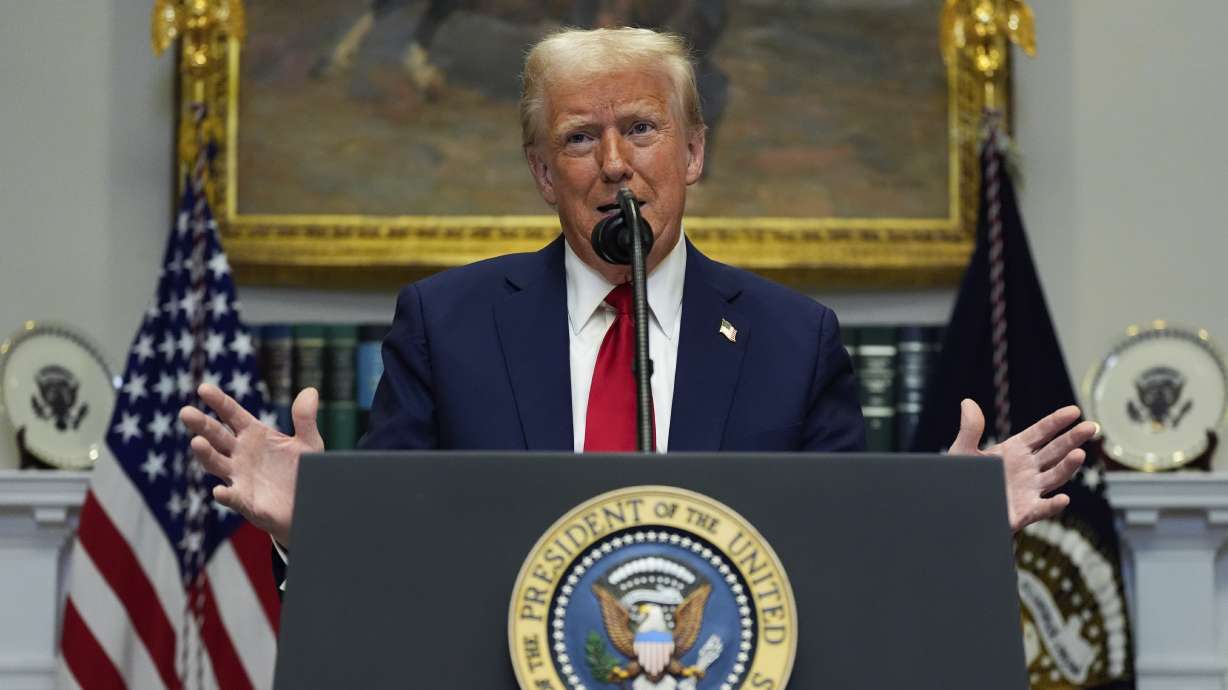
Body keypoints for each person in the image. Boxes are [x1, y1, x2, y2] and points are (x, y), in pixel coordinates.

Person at [180, 27, 1093, 551]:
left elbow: (837, 553)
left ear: (693, 152)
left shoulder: (791, 338)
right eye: (580, 138)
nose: (615, 164)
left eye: (643, 129)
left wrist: (946, 527)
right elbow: (396, 562)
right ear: (544, 172)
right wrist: (313, 528)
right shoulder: (447, 325)